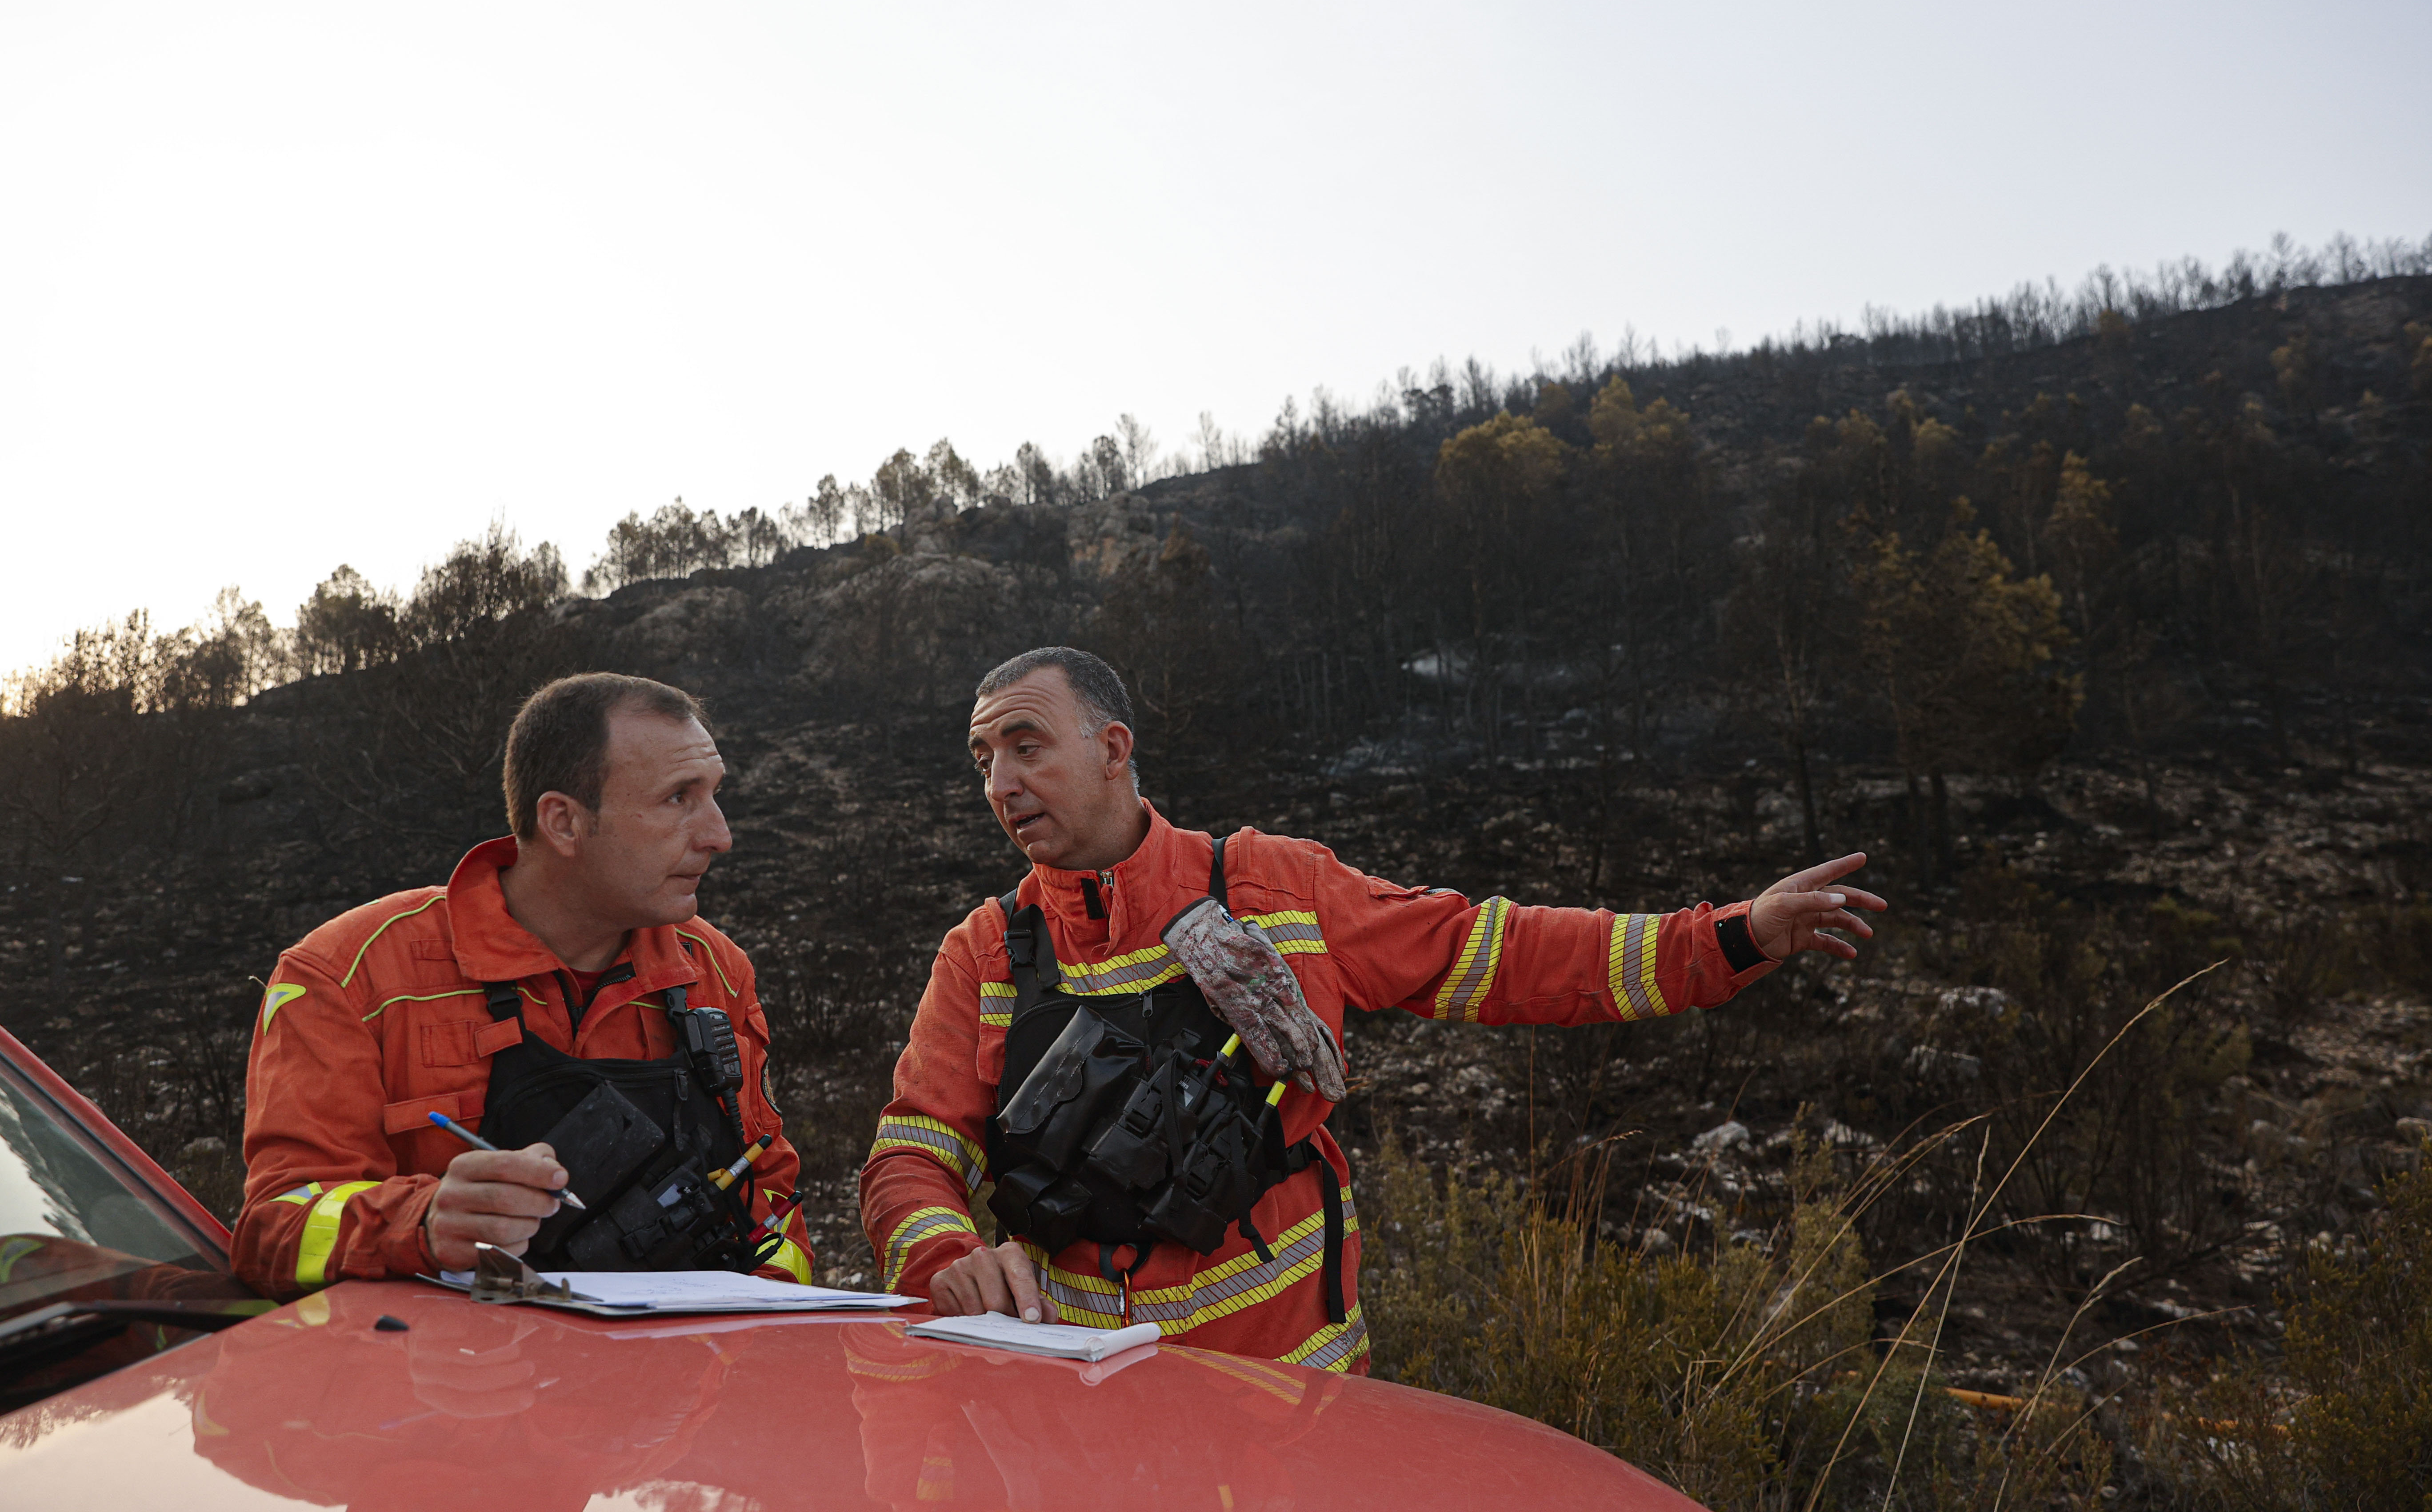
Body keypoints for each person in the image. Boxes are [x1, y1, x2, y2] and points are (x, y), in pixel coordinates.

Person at [861, 647, 1885, 1372]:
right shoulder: (984, 953)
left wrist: (1731, 938)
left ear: (1114, 748)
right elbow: (911, 1155)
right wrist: (947, 1258)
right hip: (1088, 1414)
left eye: (1027, 746)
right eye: (983, 760)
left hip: (1296, 1409)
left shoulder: (1274, 887)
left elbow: (1499, 955)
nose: (1000, 783)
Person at [232, 672, 813, 1296]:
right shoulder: (350, 977)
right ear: (563, 822)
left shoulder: (716, 971)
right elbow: (273, 1231)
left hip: (685, 1359)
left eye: (714, 794)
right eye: (678, 799)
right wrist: (422, 1223)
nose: (720, 836)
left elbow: (772, 1207)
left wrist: (763, 1317)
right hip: (444, 1359)